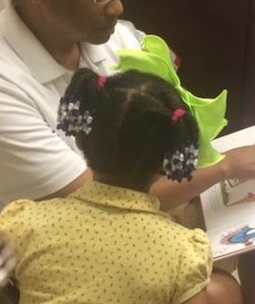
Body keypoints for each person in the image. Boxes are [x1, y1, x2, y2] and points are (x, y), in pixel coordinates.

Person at [0, 0, 255, 303]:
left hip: (138, 193)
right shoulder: (7, 85)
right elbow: (103, 198)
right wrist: (223, 168)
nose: (118, 8)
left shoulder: (108, 34)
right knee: (221, 292)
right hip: (76, 227)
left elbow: (164, 111)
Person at [0, 68, 238, 303]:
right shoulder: (182, 251)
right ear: (167, 165)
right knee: (224, 290)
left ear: (81, 140)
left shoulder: (23, 222)